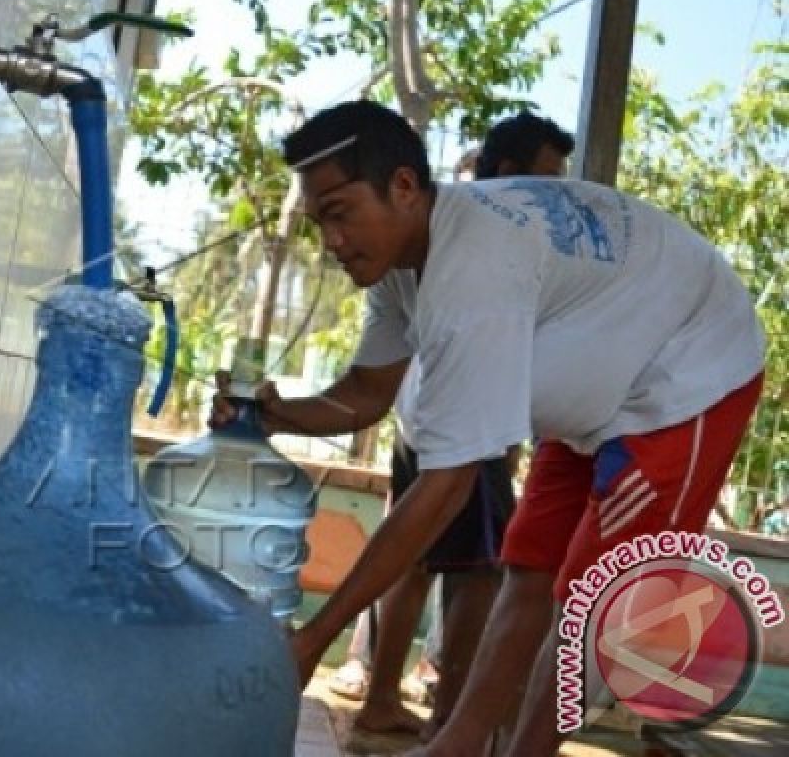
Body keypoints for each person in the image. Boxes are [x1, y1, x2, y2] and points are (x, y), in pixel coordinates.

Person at [212, 99, 764, 756]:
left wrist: (316, 634)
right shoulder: (400, 267)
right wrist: (276, 415)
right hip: (600, 394)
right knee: (527, 563)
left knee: (593, 595)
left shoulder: (472, 271)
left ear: (405, 188)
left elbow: (444, 489)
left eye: (340, 213)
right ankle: (459, 744)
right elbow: (365, 394)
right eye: (319, 221)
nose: (331, 242)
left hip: (688, 374)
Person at [322, 111, 576, 748]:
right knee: (480, 573)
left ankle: (385, 701)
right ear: (512, 173)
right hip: (466, 424)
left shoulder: (449, 233)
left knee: (412, 562)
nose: (561, 194)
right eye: (551, 178)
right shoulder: (488, 237)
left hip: (423, 414)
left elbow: (368, 389)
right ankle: (447, 726)